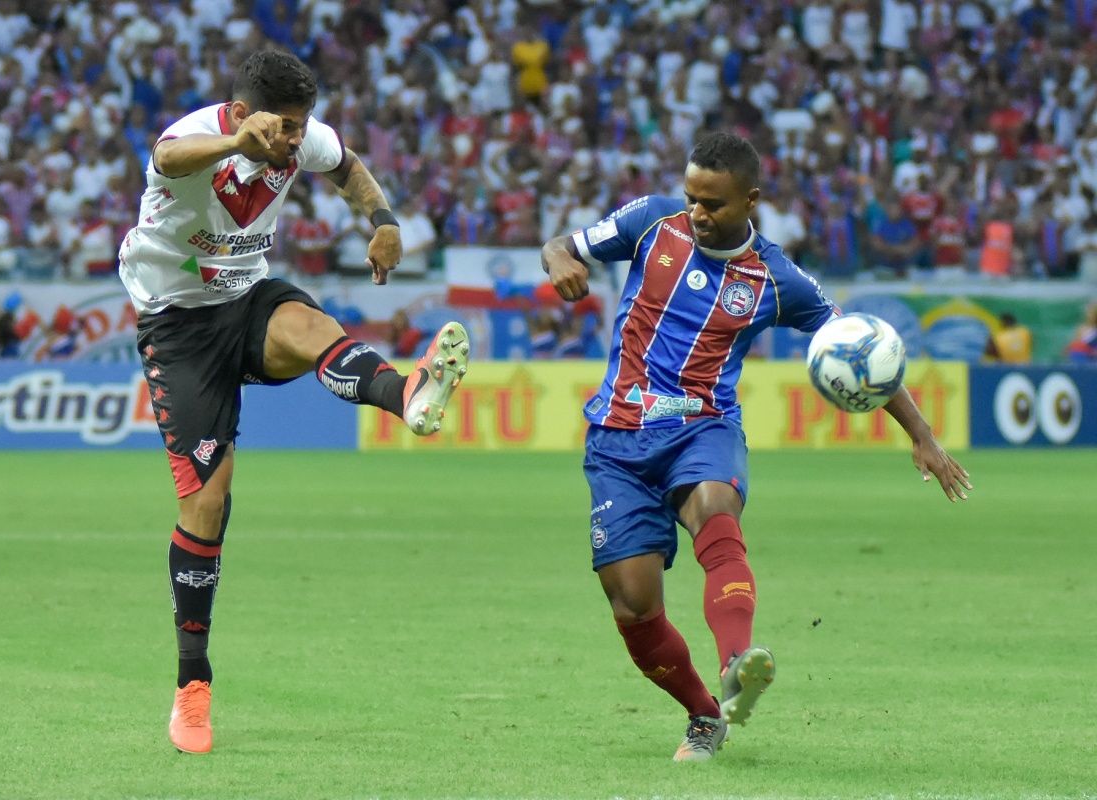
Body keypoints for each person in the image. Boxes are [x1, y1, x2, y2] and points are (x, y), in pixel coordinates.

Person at [540, 132, 970, 763]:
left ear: (751, 200)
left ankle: (737, 663)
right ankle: (704, 716)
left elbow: (856, 348)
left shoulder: (776, 278)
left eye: (712, 203)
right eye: (691, 198)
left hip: (702, 425)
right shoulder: (649, 221)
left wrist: (923, 435)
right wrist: (558, 261)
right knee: (633, 605)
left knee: (716, 509)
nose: (697, 212)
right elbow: (562, 245)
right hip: (618, 439)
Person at [117, 51, 471, 755]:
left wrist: (383, 218)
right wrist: (233, 143)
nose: (292, 142)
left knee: (315, 329)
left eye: (299, 129)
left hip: (247, 298)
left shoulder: (297, 133)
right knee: (207, 508)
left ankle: (410, 394)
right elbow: (170, 155)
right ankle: (192, 685)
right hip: (178, 327)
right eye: (281, 130)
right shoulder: (202, 138)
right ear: (244, 114)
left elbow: (345, 165)